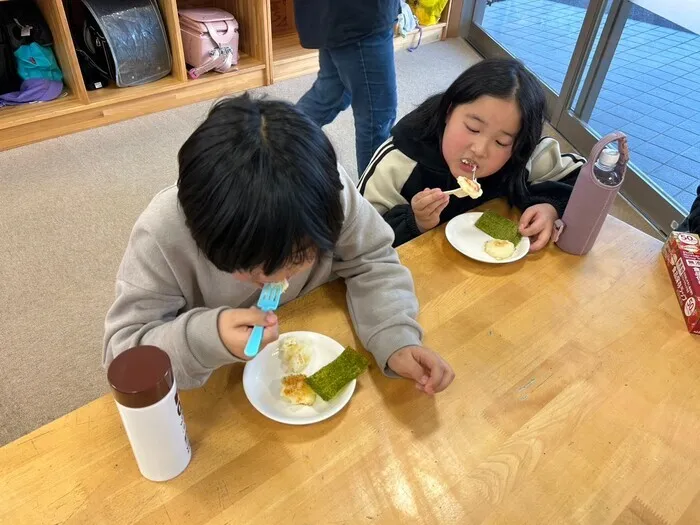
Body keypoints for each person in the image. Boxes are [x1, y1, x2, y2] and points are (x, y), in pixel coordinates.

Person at [103, 94, 454, 395]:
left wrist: (395, 337)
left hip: (313, 333)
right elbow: (123, 359)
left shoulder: (331, 196)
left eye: (299, 257)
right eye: (245, 266)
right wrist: (206, 338)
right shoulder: (163, 232)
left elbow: (372, 259)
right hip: (210, 389)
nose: (273, 279)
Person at [358, 58, 586, 248]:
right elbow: (356, 236)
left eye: (501, 141)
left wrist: (551, 206)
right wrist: (414, 221)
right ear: (449, 113)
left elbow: (584, 179)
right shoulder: (399, 160)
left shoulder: (524, 154)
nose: (480, 149)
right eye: (473, 128)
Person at [294, 0, 400, 175]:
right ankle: (373, 194)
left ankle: (272, 145)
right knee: (378, 116)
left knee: (330, 92)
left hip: (340, 16)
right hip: (359, 18)